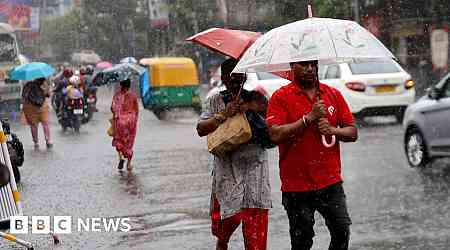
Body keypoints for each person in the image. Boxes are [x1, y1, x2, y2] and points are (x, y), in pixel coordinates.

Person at [266, 60, 358, 250]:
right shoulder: (280, 97)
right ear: (292, 67)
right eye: (303, 64)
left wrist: (333, 131)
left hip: (330, 181)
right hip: (296, 185)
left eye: (313, 64)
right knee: (302, 241)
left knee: (342, 231)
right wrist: (307, 119)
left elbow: (352, 132)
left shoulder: (332, 94)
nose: (310, 68)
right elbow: (275, 134)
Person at [196, 58, 272, 250]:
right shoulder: (214, 101)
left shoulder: (257, 98)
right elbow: (201, 128)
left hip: (256, 168)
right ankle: (222, 241)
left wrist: (254, 108)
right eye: (231, 75)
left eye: (240, 74)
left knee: (255, 217)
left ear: (245, 76)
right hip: (227, 166)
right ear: (223, 77)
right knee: (230, 214)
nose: (236, 79)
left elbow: (274, 124)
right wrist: (223, 115)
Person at [111, 79, 139, 171]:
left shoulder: (117, 96)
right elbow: (136, 110)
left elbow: (113, 108)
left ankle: (121, 157)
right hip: (131, 121)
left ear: (120, 85)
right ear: (129, 85)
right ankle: (129, 164)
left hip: (119, 121)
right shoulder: (133, 96)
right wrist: (135, 120)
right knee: (129, 143)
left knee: (118, 140)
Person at [21, 77, 52, 150]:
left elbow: (24, 96)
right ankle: (48, 140)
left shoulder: (28, 85)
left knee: (33, 125)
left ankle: (36, 142)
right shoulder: (43, 84)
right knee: (45, 123)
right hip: (42, 106)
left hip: (30, 107)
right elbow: (48, 95)